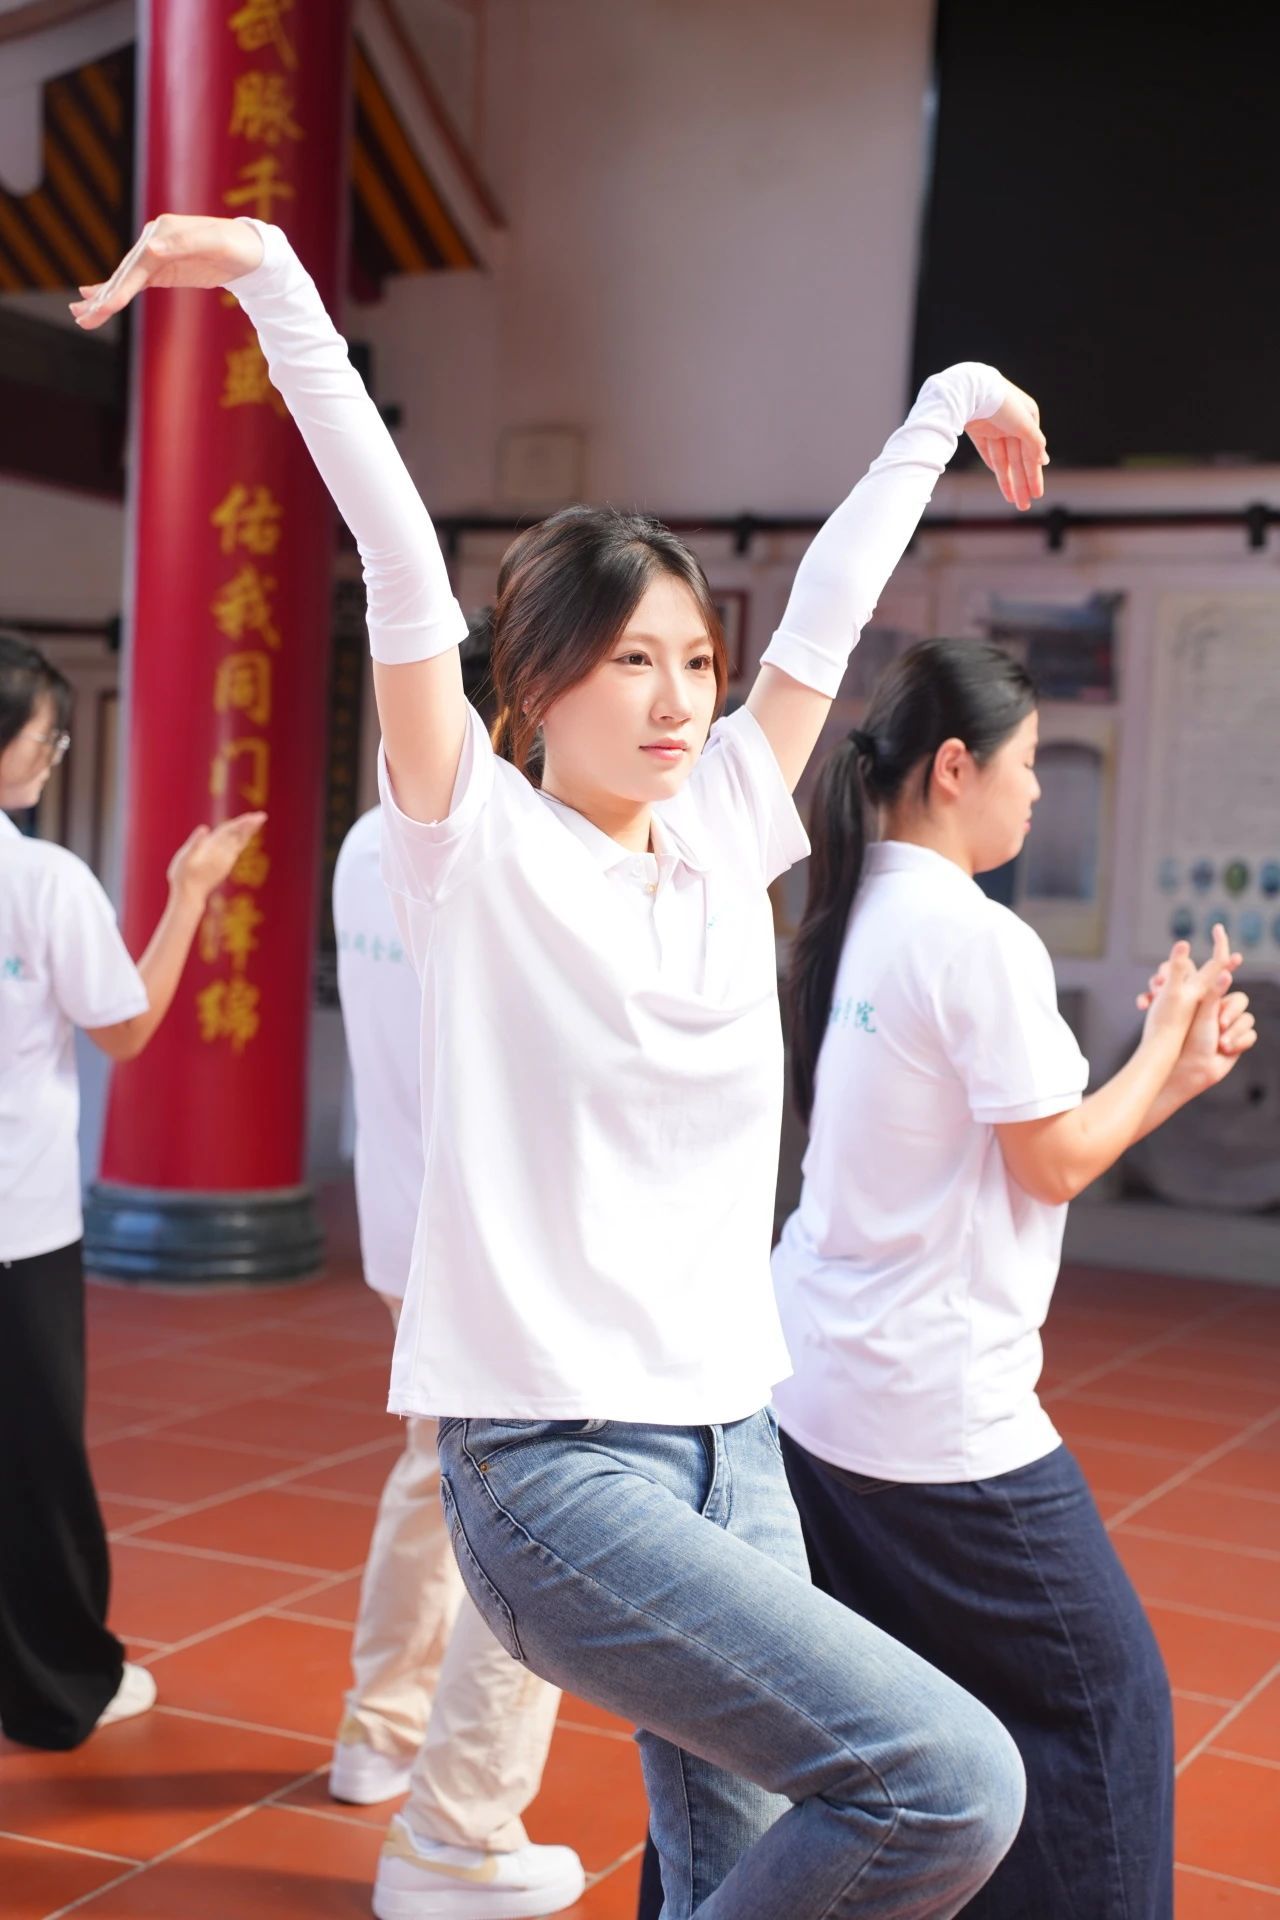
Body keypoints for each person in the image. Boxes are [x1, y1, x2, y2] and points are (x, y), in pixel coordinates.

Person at [76, 213, 1049, 1920]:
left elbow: (828, 614)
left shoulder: (726, 821)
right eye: (631, 660)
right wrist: (275, 281)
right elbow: (395, 551)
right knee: (946, 1781)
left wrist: (947, 400)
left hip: (735, 1435)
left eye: (695, 661)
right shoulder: (474, 842)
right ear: (534, 683)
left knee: (735, 1856)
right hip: (554, 1468)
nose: (679, 700)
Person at [771, 638, 1258, 1920]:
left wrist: (1168, 1074)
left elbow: (1027, 1148)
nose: (1038, 790)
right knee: (1106, 1707)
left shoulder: (849, 912)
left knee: (909, 1719)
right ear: (953, 768)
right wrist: (1159, 1048)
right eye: (1027, 762)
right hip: (929, 1413)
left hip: (812, 1388)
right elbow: (1052, 1164)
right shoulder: (973, 938)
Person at [0, 630, 264, 1750]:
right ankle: (59, 1681)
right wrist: (190, 892)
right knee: (33, 1461)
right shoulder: (42, 881)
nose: (50, 755)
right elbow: (127, 1027)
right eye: (46, 738)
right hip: (17, 1225)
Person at [329, 792, 581, 1908]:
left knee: (431, 1470)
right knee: (530, 1513)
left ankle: (377, 1731)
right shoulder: (508, 846)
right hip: (499, 1243)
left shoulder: (364, 839)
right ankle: (460, 1824)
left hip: (403, 1218)